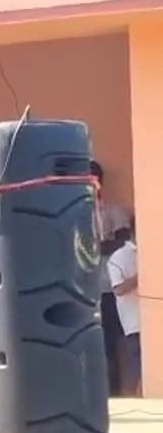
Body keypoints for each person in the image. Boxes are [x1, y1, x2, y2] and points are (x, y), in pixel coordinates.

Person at [91, 160, 132, 394]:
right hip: (82, 289)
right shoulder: (72, 214)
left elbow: (124, 243)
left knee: (110, 343)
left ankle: (112, 393)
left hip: (107, 286)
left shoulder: (114, 212)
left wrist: (97, 247)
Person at [107, 216, 140, 397]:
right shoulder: (118, 258)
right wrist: (142, 277)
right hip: (134, 322)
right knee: (134, 366)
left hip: (154, 320)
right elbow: (118, 289)